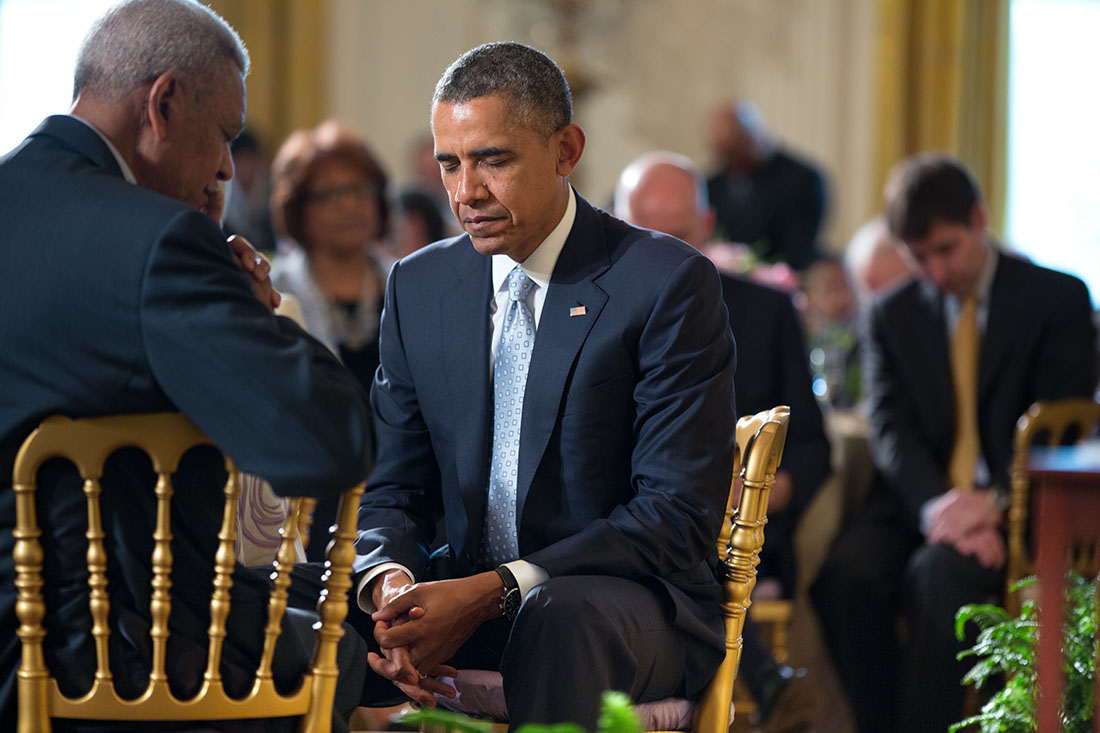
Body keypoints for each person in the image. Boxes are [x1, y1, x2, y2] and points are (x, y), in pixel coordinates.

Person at [0, 1, 373, 730]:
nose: (228, 166)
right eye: (226, 135)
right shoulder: (159, 241)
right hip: (101, 669)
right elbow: (328, 441)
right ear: (164, 103)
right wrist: (261, 316)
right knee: (338, 653)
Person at [352, 42, 737, 728]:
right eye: (450, 163)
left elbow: (675, 517)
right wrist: (394, 585)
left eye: (492, 159)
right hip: (470, 589)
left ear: (566, 150)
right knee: (305, 612)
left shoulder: (665, 283)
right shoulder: (419, 286)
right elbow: (390, 489)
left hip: (629, 604)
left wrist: (500, 588)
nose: (466, 191)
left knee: (557, 616)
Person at [810, 153, 1099, 733]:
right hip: (924, 499)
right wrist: (941, 504)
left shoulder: (1057, 299)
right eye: (920, 259)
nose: (937, 272)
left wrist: (991, 506)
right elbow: (890, 426)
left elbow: (1066, 426)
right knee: (843, 578)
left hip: (1022, 508)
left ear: (979, 218)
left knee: (938, 576)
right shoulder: (891, 314)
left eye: (947, 250)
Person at [614, 150, 828, 732]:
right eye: (639, 232)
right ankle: (761, 682)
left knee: (688, 535)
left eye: (675, 235)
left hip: (740, 526)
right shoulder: (595, 312)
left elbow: (812, 446)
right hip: (633, 516)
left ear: (707, 230)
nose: (656, 250)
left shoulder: (766, 311)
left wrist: (759, 494)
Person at [706, 99, 827, 270]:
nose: (729, 164)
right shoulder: (713, 185)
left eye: (735, 152)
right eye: (724, 154)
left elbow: (796, 249)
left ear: (754, 137)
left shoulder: (801, 180)